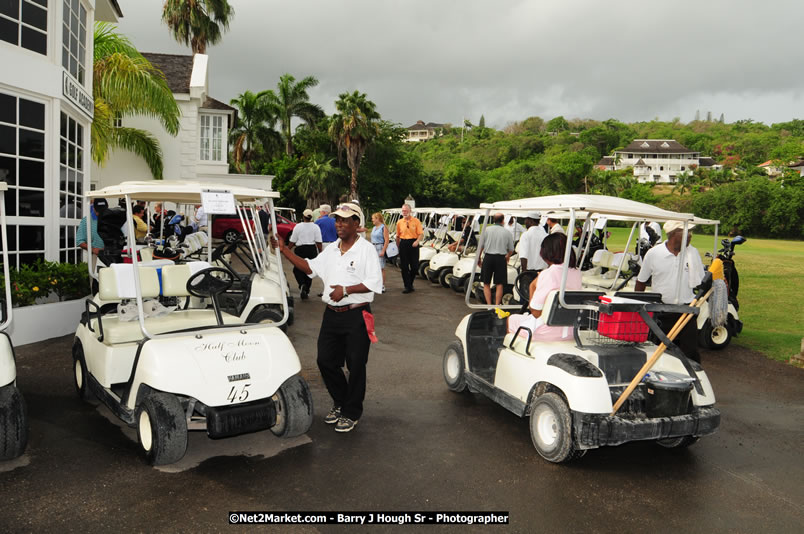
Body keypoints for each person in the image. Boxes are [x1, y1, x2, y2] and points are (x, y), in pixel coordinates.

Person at [274, 202, 382, 433]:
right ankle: (342, 402)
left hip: (357, 315)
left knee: (355, 365)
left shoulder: (366, 250)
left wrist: (346, 290)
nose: (339, 224)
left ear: (357, 223)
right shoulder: (332, 249)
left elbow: (375, 283)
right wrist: (284, 250)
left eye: (345, 220)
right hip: (332, 315)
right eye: (337, 220)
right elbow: (309, 268)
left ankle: (352, 412)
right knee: (325, 361)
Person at [635, 220, 705, 363]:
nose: (690, 236)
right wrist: (639, 307)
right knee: (656, 350)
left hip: (687, 310)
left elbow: (701, 281)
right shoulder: (654, 253)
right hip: (661, 310)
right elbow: (641, 281)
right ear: (673, 234)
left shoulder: (693, 253)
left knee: (690, 352)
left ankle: (691, 379)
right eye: (686, 232)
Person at [507, 233, 583, 341]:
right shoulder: (577, 272)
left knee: (511, 319)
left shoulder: (548, 273)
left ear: (547, 252)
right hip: (570, 330)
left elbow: (536, 312)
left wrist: (533, 286)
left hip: (547, 331)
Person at [477, 213, 514, 305]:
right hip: (501, 258)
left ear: (494, 220)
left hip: (488, 257)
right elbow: (511, 249)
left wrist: (478, 258)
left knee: (486, 283)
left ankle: (489, 305)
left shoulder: (486, 230)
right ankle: (497, 305)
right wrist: (508, 256)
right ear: (503, 220)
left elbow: (480, 246)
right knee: (499, 284)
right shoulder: (507, 232)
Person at [287, 209, 322, 300]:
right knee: (309, 270)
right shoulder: (316, 227)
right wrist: (321, 252)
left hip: (300, 249)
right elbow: (318, 242)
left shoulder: (298, 227)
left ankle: (302, 284)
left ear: (303, 216)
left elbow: (292, 240)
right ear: (311, 217)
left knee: (297, 269)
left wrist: (287, 250)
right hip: (311, 249)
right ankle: (307, 290)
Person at [395, 204, 423, 294]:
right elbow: (398, 236)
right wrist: (398, 246)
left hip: (413, 243)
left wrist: (417, 241)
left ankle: (410, 283)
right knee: (404, 267)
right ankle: (407, 286)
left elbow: (421, 234)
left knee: (415, 266)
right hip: (403, 243)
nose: (404, 212)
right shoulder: (399, 222)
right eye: (403, 211)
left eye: (406, 210)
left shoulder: (416, 221)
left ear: (410, 211)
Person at [370, 212, 390, 292]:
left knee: (381, 268)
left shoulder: (383, 227)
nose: (372, 220)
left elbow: (387, 240)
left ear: (377, 219)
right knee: (374, 268)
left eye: (373, 218)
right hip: (373, 247)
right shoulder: (374, 227)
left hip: (380, 246)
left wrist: (383, 250)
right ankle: (375, 284)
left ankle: (382, 285)